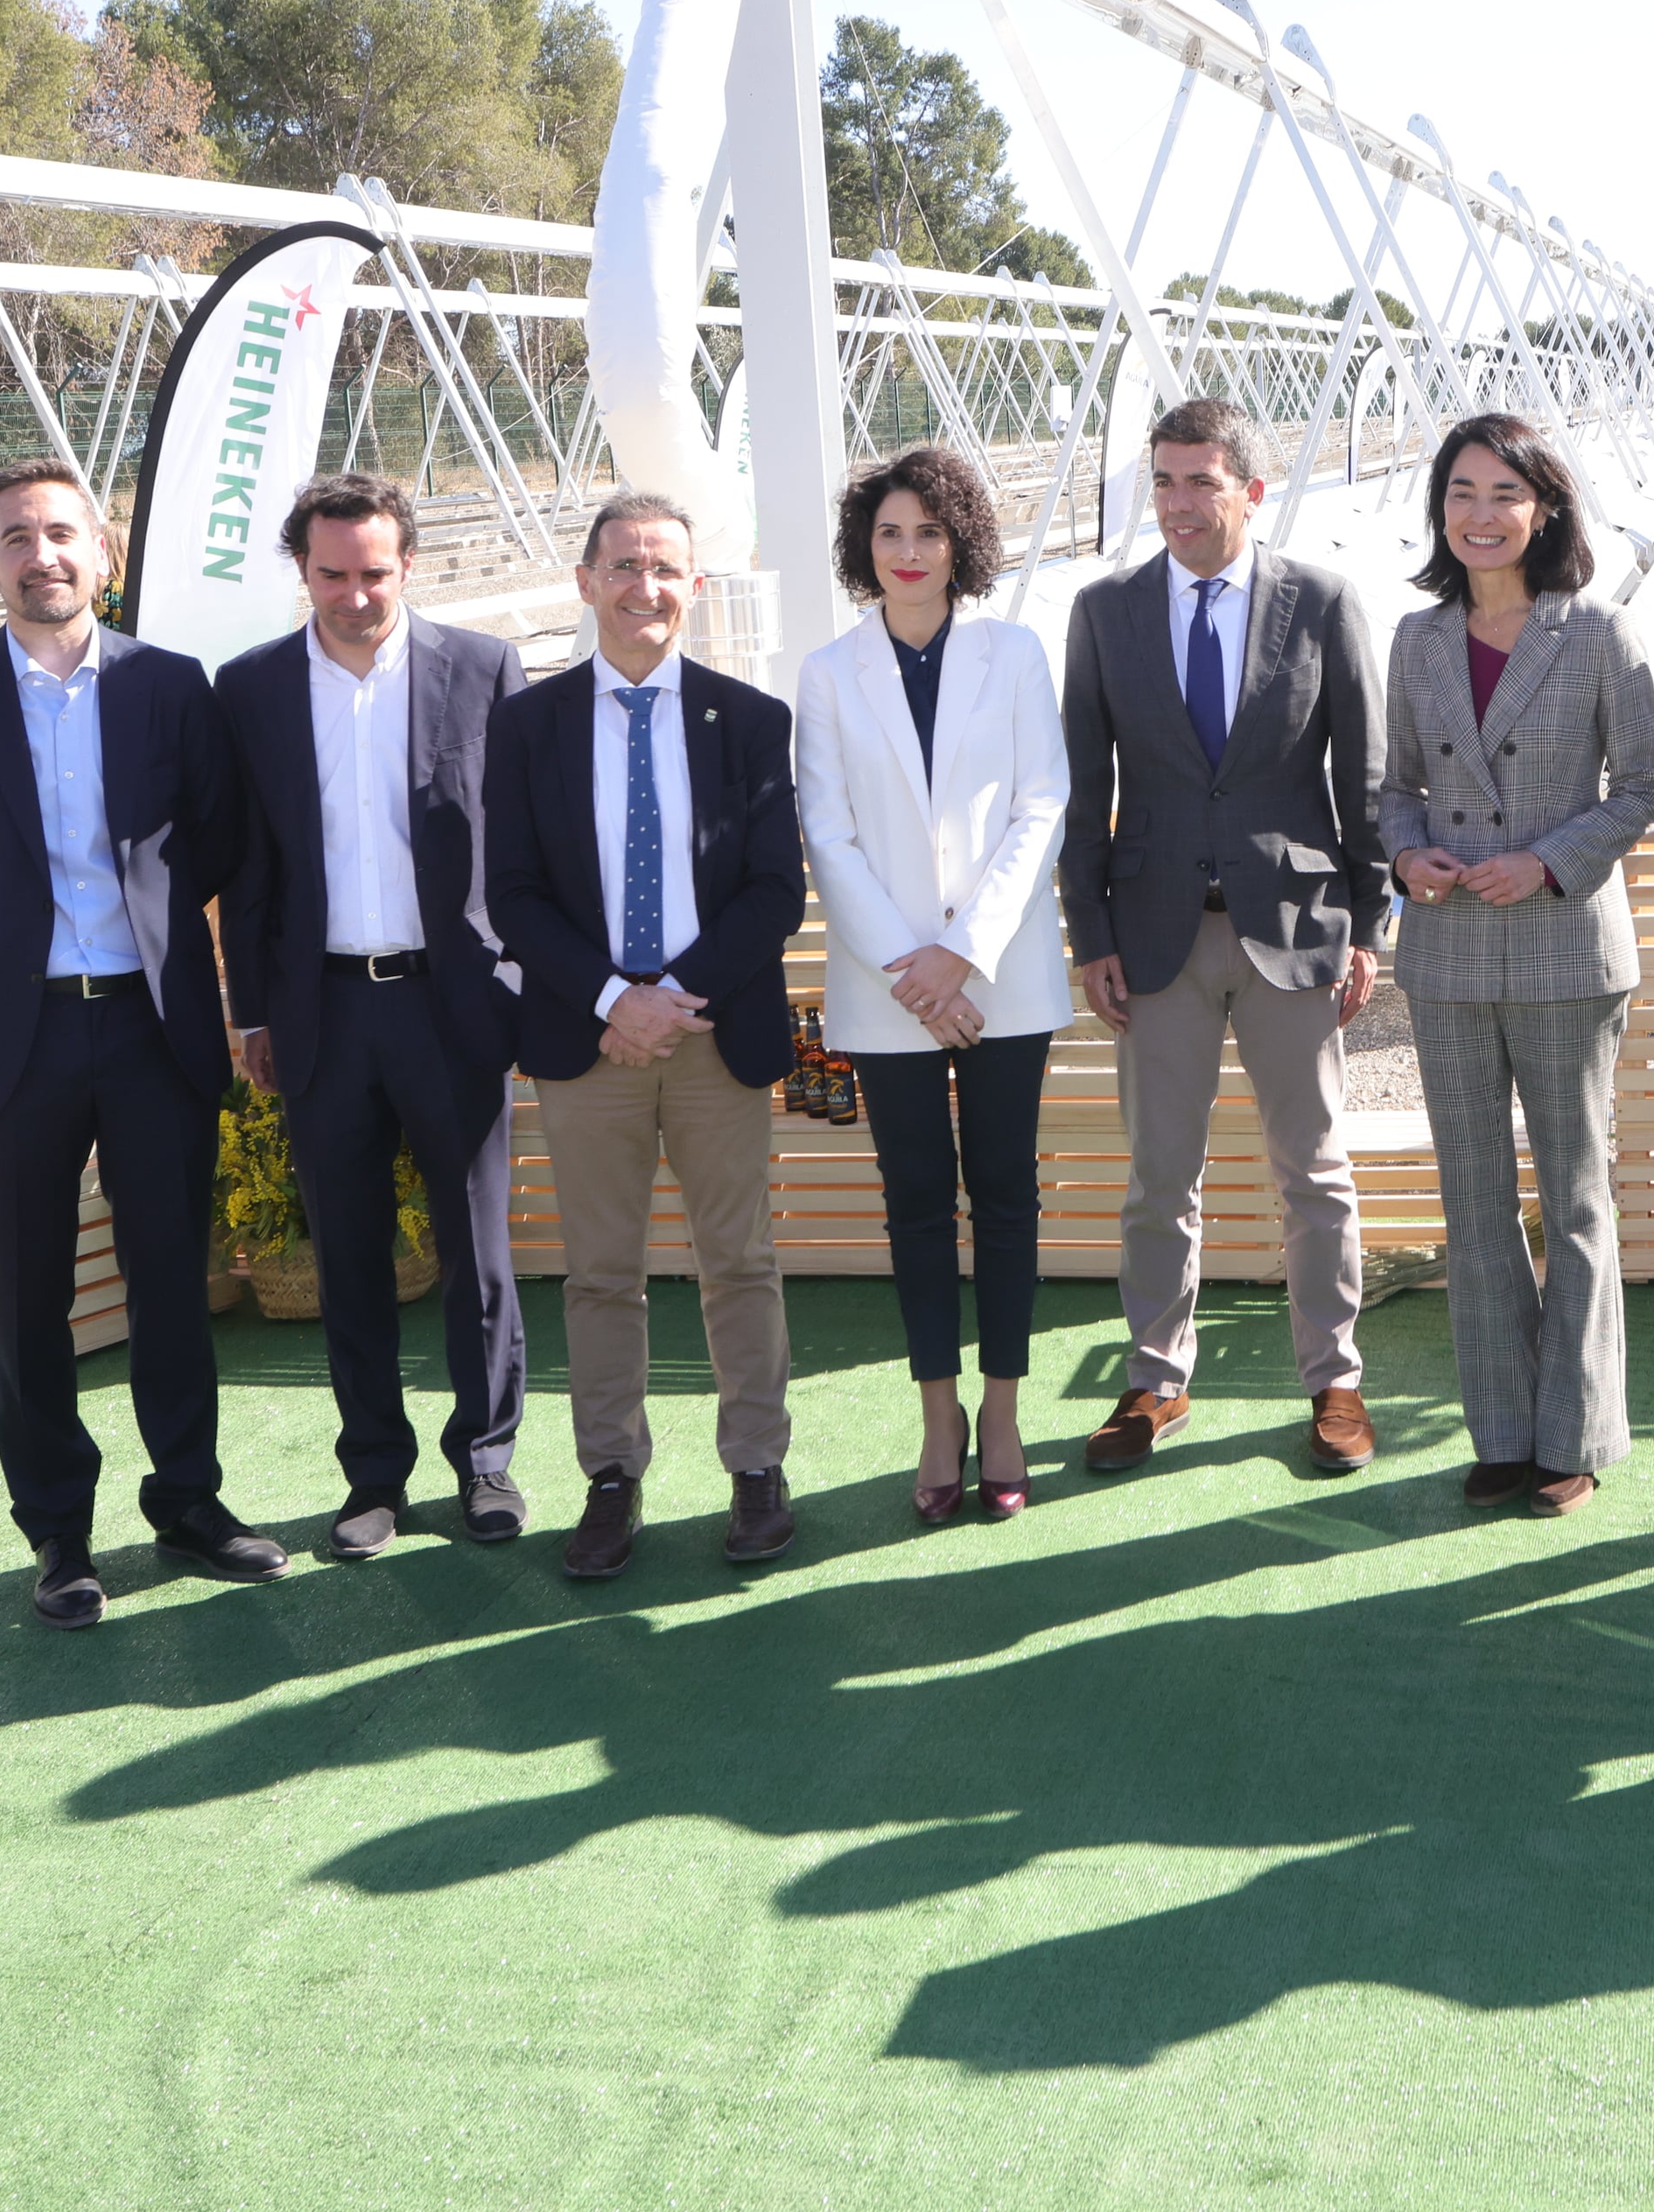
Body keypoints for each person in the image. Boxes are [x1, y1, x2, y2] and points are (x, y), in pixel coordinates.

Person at [0, 458, 276, 1630]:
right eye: (15, 536)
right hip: (13, 1038)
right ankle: (58, 1533)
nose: (41, 554)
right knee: (31, 1294)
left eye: (61, 533)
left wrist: (141, 932)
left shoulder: (171, 687)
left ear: (105, 554)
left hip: (152, 1029)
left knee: (172, 1284)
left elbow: (218, 833)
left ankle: (188, 1500)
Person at [1058, 397, 1387, 1478]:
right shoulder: (1104, 611)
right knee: (1159, 1174)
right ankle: (1155, 1379)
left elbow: (1363, 782)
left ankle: (1333, 1381)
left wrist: (1369, 926)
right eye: (1162, 480)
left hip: (1294, 932)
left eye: (1200, 481)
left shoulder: (1322, 602)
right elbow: (1084, 790)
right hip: (1152, 943)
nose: (1178, 503)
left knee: (1316, 1171)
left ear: (1249, 489)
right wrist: (1089, 930)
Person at [483, 488, 810, 1576]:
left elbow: (773, 890)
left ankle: (756, 1468)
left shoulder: (750, 719)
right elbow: (514, 891)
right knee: (600, 1273)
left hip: (714, 1032)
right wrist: (612, 1000)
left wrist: (670, 993)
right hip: (590, 1044)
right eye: (622, 566)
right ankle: (610, 1477)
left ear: (694, 585)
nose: (645, 587)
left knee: (740, 1261)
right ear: (585, 583)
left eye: (665, 566)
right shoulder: (527, 724)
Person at [213, 471, 529, 1563]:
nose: (355, 594)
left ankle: (485, 1463)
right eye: (333, 573)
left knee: (475, 1249)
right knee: (347, 1254)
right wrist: (249, 1011)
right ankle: (373, 1478)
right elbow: (247, 867)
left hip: (453, 1009)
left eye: (375, 573)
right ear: (301, 568)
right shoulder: (248, 687)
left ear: (408, 566)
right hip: (321, 1013)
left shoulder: (480, 668)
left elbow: (520, 840)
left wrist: (519, 984)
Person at [1381, 414, 1654, 1514]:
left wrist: (1545, 863)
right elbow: (1393, 783)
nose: (1480, 514)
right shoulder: (1414, 640)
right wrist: (1408, 848)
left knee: (1575, 1194)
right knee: (1471, 1198)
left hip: (1564, 947)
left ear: (1544, 507)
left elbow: (1643, 786)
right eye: (1460, 492)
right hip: (1448, 950)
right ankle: (1500, 1428)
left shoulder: (1596, 631)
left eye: (1503, 492)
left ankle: (1575, 1432)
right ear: (1438, 510)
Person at [793, 445, 1071, 1524]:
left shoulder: (1012, 654)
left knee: (1003, 1196)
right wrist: (916, 970)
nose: (908, 554)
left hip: (999, 978)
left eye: (929, 532)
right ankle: (937, 1413)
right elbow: (828, 828)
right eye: (888, 534)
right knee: (913, 1206)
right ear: (864, 548)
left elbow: (1040, 805)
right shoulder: (827, 671)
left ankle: (1002, 1409)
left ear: (963, 542)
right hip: (885, 988)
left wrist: (965, 951)